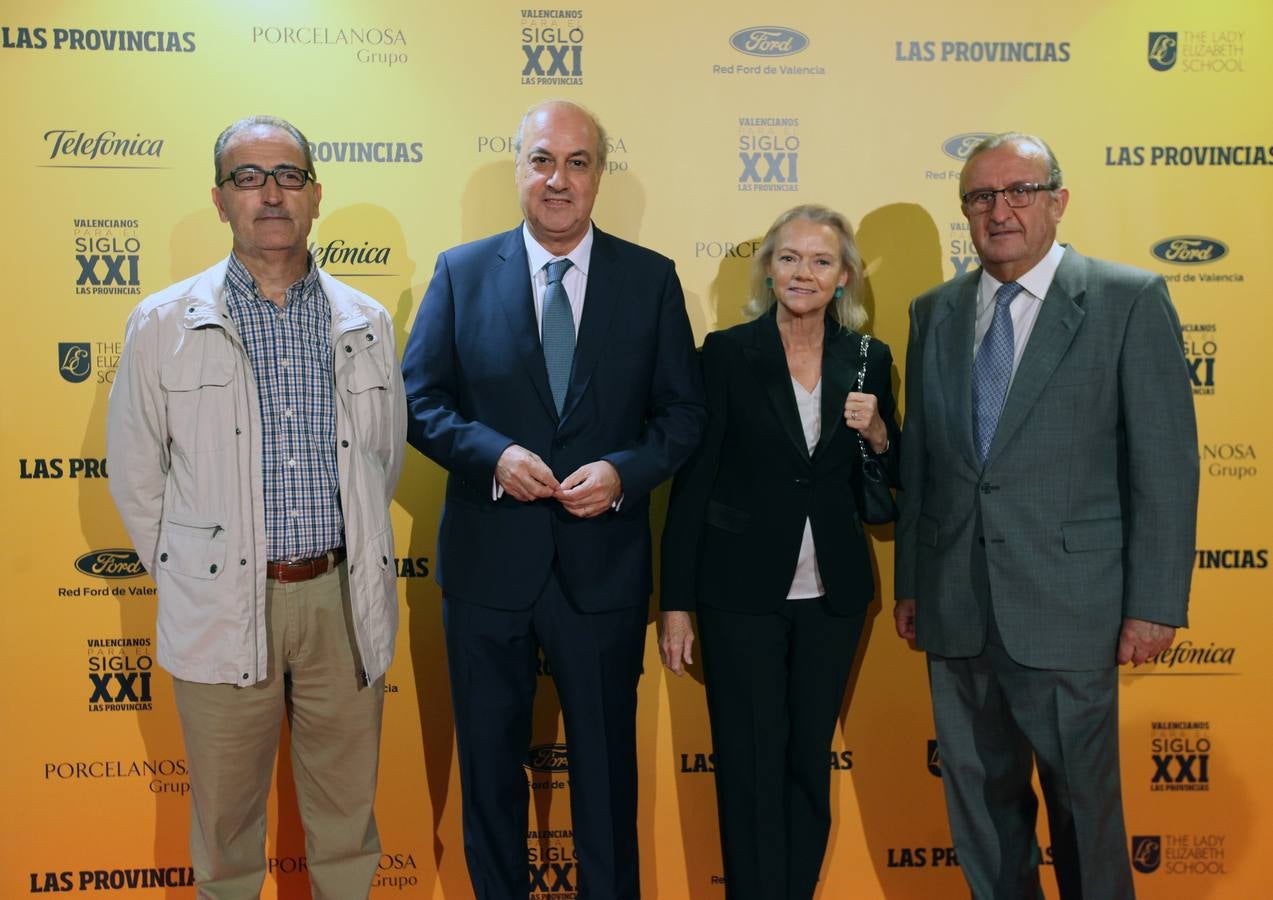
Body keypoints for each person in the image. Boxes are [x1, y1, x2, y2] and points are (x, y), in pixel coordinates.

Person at [400, 99, 705, 900]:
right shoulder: (460, 273)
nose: (558, 180)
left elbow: (682, 415)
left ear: (600, 174)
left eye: (577, 162)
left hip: (600, 569)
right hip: (486, 571)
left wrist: (622, 473)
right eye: (542, 160)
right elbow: (419, 400)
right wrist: (492, 455)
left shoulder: (650, 278)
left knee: (605, 780)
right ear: (518, 170)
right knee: (489, 777)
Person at [107, 115, 405, 900]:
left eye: (287, 176)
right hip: (221, 606)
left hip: (341, 603)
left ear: (313, 196)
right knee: (227, 827)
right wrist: (198, 573)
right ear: (219, 199)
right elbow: (137, 478)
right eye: (248, 177)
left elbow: (382, 461)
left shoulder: (367, 323)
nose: (270, 194)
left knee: (346, 823)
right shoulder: (163, 324)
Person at [894, 132, 1198, 899]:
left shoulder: (1127, 299)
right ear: (964, 210)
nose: (999, 211)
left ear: (1057, 201)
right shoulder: (933, 311)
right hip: (956, 605)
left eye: (1018, 192)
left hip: (1072, 610)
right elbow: (923, 462)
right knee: (980, 814)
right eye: (980, 197)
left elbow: (1164, 464)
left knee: (1084, 815)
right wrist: (911, 584)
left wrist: (1154, 604)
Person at [660, 204, 899, 899]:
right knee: (747, 765)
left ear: (844, 276)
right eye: (789, 258)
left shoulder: (867, 357)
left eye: (821, 261)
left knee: (804, 763)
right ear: (767, 267)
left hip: (833, 600)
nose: (803, 272)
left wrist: (880, 433)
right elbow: (692, 485)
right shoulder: (727, 354)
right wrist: (675, 603)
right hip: (738, 597)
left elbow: (890, 490)